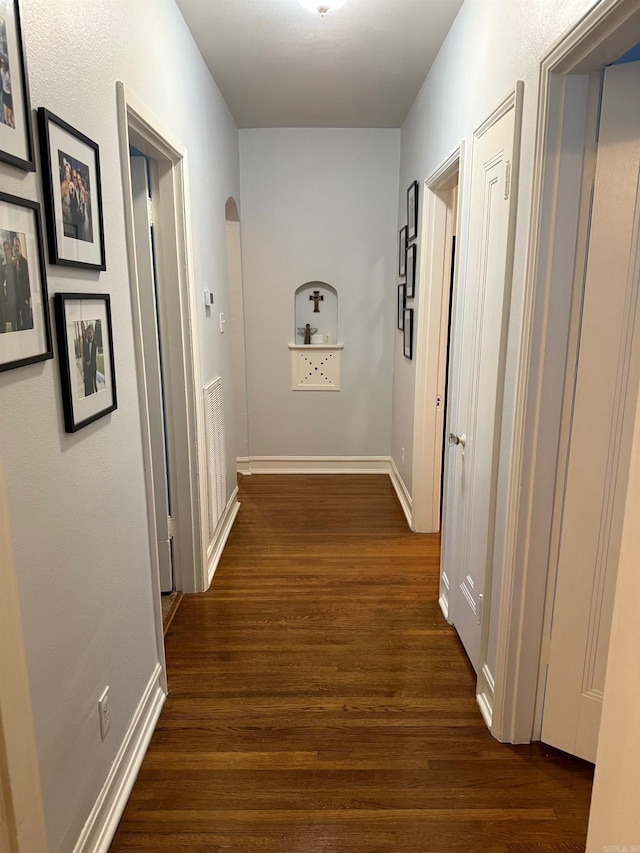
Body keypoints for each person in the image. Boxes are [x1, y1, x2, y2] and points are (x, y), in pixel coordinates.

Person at [12, 236, 32, 331]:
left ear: (20, 247)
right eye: (14, 246)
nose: (16, 248)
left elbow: (28, 281)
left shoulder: (25, 262)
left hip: (24, 299)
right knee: (19, 326)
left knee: (27, 323)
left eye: (17, 246)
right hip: (17, 299)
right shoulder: (13, 263)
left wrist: (27, 297)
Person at [1, 239, 18, 333]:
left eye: (7, 249)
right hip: (10, 299)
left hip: (18, 298)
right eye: (5, 249)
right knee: (13, 324)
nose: (6, 251)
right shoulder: (3, 267)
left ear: (10, 250)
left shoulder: (15, 263)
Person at [83, 324, 97, 396]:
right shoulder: (86, 344)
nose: (89, 334)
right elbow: (86, 355)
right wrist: (87, 361)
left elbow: (94, 356)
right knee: (88, 383)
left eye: (90, 332)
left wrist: (90, 362)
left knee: (94, 382)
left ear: (93, 333)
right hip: (87, 368)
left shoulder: (94, 344)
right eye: (88, 333)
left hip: (93, 366)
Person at [0, 56, 14, 128]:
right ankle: (7, 123)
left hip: (9, 93)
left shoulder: (8, 71)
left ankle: (10, 123)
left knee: (10, 117)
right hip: (5, 92)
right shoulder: (1, 70)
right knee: (6, 117)